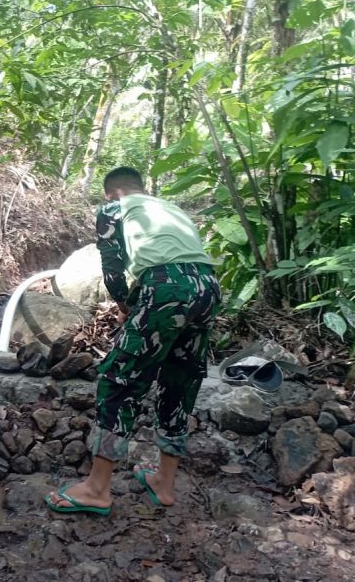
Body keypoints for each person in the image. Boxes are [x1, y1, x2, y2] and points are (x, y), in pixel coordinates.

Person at [45, 166, 220, 514]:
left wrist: (124, 304)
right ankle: (164, 483)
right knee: (180, 379)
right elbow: (181, 261)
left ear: (113, 193)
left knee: (119, 379)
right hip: (208, 288)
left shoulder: (114, 209)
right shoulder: (173, 210)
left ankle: (96, 489)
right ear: (143, 188)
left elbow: (112, 267)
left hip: (166, 287)